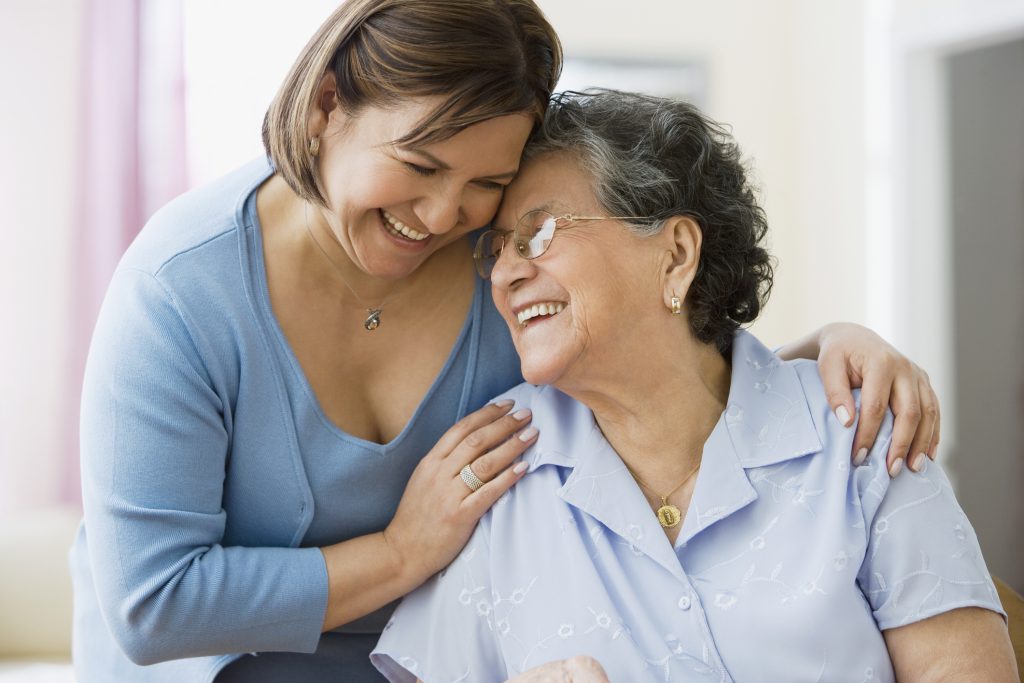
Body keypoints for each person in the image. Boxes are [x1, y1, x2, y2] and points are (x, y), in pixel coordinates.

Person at [71, 3, 941, 681]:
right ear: (328, 106)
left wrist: (826, 347)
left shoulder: (499, 274)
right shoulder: (181, 292)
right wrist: (402, 551)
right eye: (419, 167)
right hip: (217, 670)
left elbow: (647, 368)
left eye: (487, 184)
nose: (444, 216)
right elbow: (153, 602)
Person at [370, 90, 1016, 682]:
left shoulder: (858, 429)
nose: (505, 272)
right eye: (496, 249)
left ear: (676, 253)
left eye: (539, 232)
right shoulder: (491, 466)